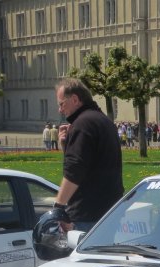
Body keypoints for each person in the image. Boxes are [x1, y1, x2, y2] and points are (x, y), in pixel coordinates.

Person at [52, 78, 123, 233]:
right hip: (109, 210)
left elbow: (75, 168)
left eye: (61, 104)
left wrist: (58, 207)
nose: (60, 110)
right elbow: (91, 163)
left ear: (75, 99)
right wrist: (67, 146)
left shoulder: (83, 124)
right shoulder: (103, 120)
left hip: (87, 215)